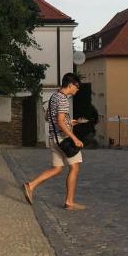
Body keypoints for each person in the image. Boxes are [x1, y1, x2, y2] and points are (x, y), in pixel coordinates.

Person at [23, 73, 87, 211]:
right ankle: (69, 202)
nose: (77, 89)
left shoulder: (53, 97)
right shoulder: (63, 100)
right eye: (76, 86)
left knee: (57, 169)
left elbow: (49, 118)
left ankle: (31, 185)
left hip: (53, 139)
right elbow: (59, 121)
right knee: (74, 168)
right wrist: (75, 138)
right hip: (64, 140)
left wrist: (69, 122)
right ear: (70, 85)